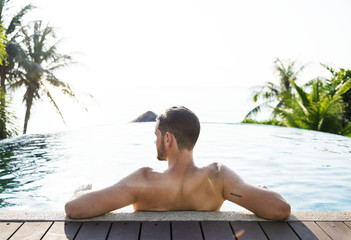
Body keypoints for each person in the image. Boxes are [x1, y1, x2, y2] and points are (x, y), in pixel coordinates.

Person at [65, 106, 291, 220]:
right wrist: (259, 193)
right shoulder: (218, 177)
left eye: (156, 136)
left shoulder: (142, 181)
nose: (155, 142)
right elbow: (281, 208)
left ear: (167, 139)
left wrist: (78, 193)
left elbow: (75, 209)